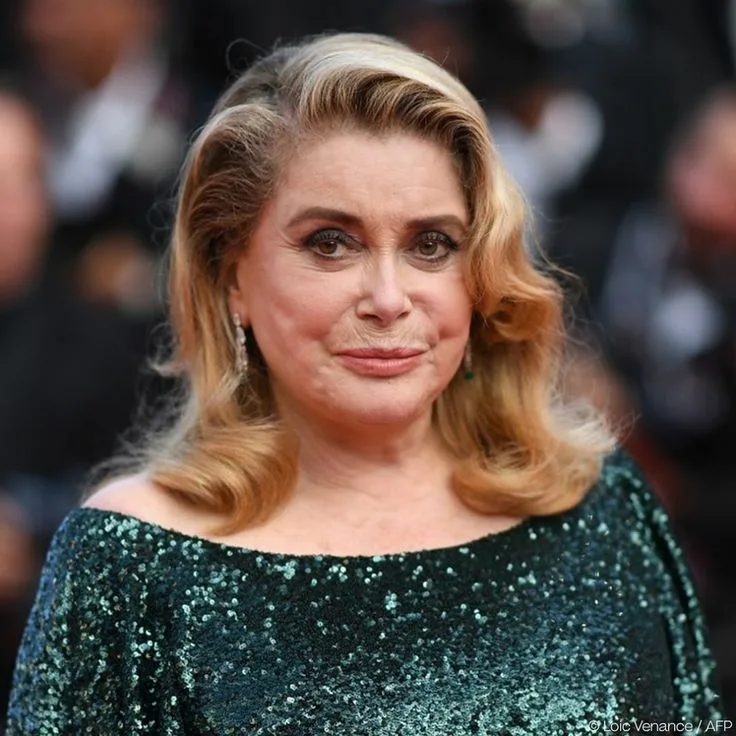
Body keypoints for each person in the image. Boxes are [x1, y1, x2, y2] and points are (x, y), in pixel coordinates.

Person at [5, 33, 724, 734]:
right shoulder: (130, 562)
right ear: (231, 277)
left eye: (431, 245)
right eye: (330, 243)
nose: (388, 298)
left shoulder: (600, 509)